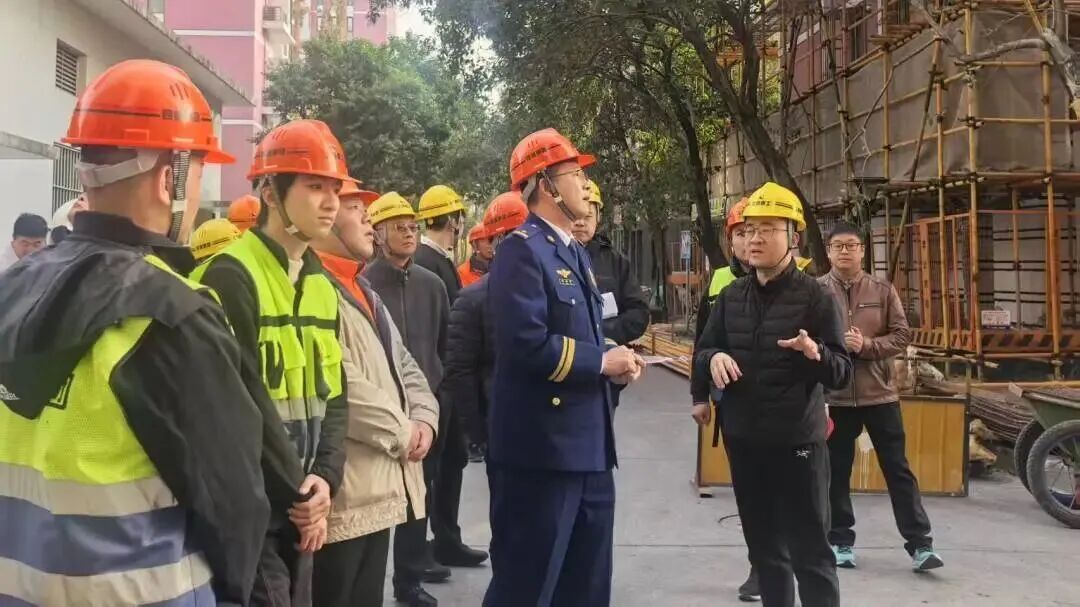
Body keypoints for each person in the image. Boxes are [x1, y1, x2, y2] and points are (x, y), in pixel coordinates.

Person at [0, 59, 269, 605]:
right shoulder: (175, 313)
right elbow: (235, 503)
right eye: (199, 173)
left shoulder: (11, 288)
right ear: (171, 178)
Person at [193, 119, 351, 606]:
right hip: (251, 509)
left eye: (335, 189)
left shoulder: (323, 284)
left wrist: (325, 478)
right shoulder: (230, 275)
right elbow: (242, 403)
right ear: (270, 192)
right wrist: (299, 495)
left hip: (302, 506)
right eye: (314, 187)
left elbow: (337, 395)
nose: (331, 202)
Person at [485, 128, 644, 607]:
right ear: (545, 185)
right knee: (529, 587)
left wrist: (614, 359)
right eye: (575, 174)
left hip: (590, 448)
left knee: (587, 586)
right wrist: (601, 362)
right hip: (543, 454)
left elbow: (582, 332)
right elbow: (526, 344)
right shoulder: (521, 250)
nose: (586, 185)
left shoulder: (573, 251)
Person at [694, 181, 852, 607]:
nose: (755, 238)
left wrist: (815, 353)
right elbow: (703, 350)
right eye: (749, 230)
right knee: (766, 553)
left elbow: (841, 372)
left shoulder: (817, 297)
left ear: (793, 237)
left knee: (810, 553)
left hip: (797, 444)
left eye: (768, 228)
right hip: (745, 443)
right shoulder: (731, 297)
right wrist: (713, 359)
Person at [310, 180, 440, 607]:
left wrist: (425, 420)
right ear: (325, 215)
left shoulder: (362, 289)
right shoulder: (312, 289)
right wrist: (404, 432)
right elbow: (341, 383)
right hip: (344, 492)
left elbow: (406, 364)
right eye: (356, 210)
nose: (369, 221)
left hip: (378, 486)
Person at [818, 222, 943, 572]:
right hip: (835, 397)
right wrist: (832, 349)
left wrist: (867, 345)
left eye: (851, 245)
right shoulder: (815, 291)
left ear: (862, 250)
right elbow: (805, 337)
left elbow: (902, 335)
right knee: (836, 472)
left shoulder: (882, 290)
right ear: (828, 252)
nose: (845, 251)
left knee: (898, 469)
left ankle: (921, 545)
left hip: (880, 396)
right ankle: (840, 541)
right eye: (838, 246)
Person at [362, 191, 450, 606]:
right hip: (380, 415)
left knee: (419, 500)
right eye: (399, 227)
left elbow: (445, 347)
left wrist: (436, 402)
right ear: (379, 234)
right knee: (375, 504)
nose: (409, 233)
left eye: (413, 226)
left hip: (424, 413)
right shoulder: (364, 286)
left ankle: (409, 581)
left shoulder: (432, 286)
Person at [413, 183, 486, 569]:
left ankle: (447, 539)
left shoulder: (433, 260)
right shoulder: (429, 263)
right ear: (455, 221)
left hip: (445, 381)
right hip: (438, 383)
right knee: (432, 469)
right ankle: (425, 549)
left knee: (451, 461)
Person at [444, 192, 529, 463]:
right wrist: (477, 434)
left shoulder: (547, 289)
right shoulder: (472, 299)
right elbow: (460, 371)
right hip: (501, 428)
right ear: (497, 241)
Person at [571, 179, 650, 406]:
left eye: (588, 216)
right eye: (575, 215)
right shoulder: (551, 257)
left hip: (607, 375)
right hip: (565, 369)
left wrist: (601, 336)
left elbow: (638, 313)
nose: (580, 222)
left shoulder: (615, 261)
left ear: (598, 217)